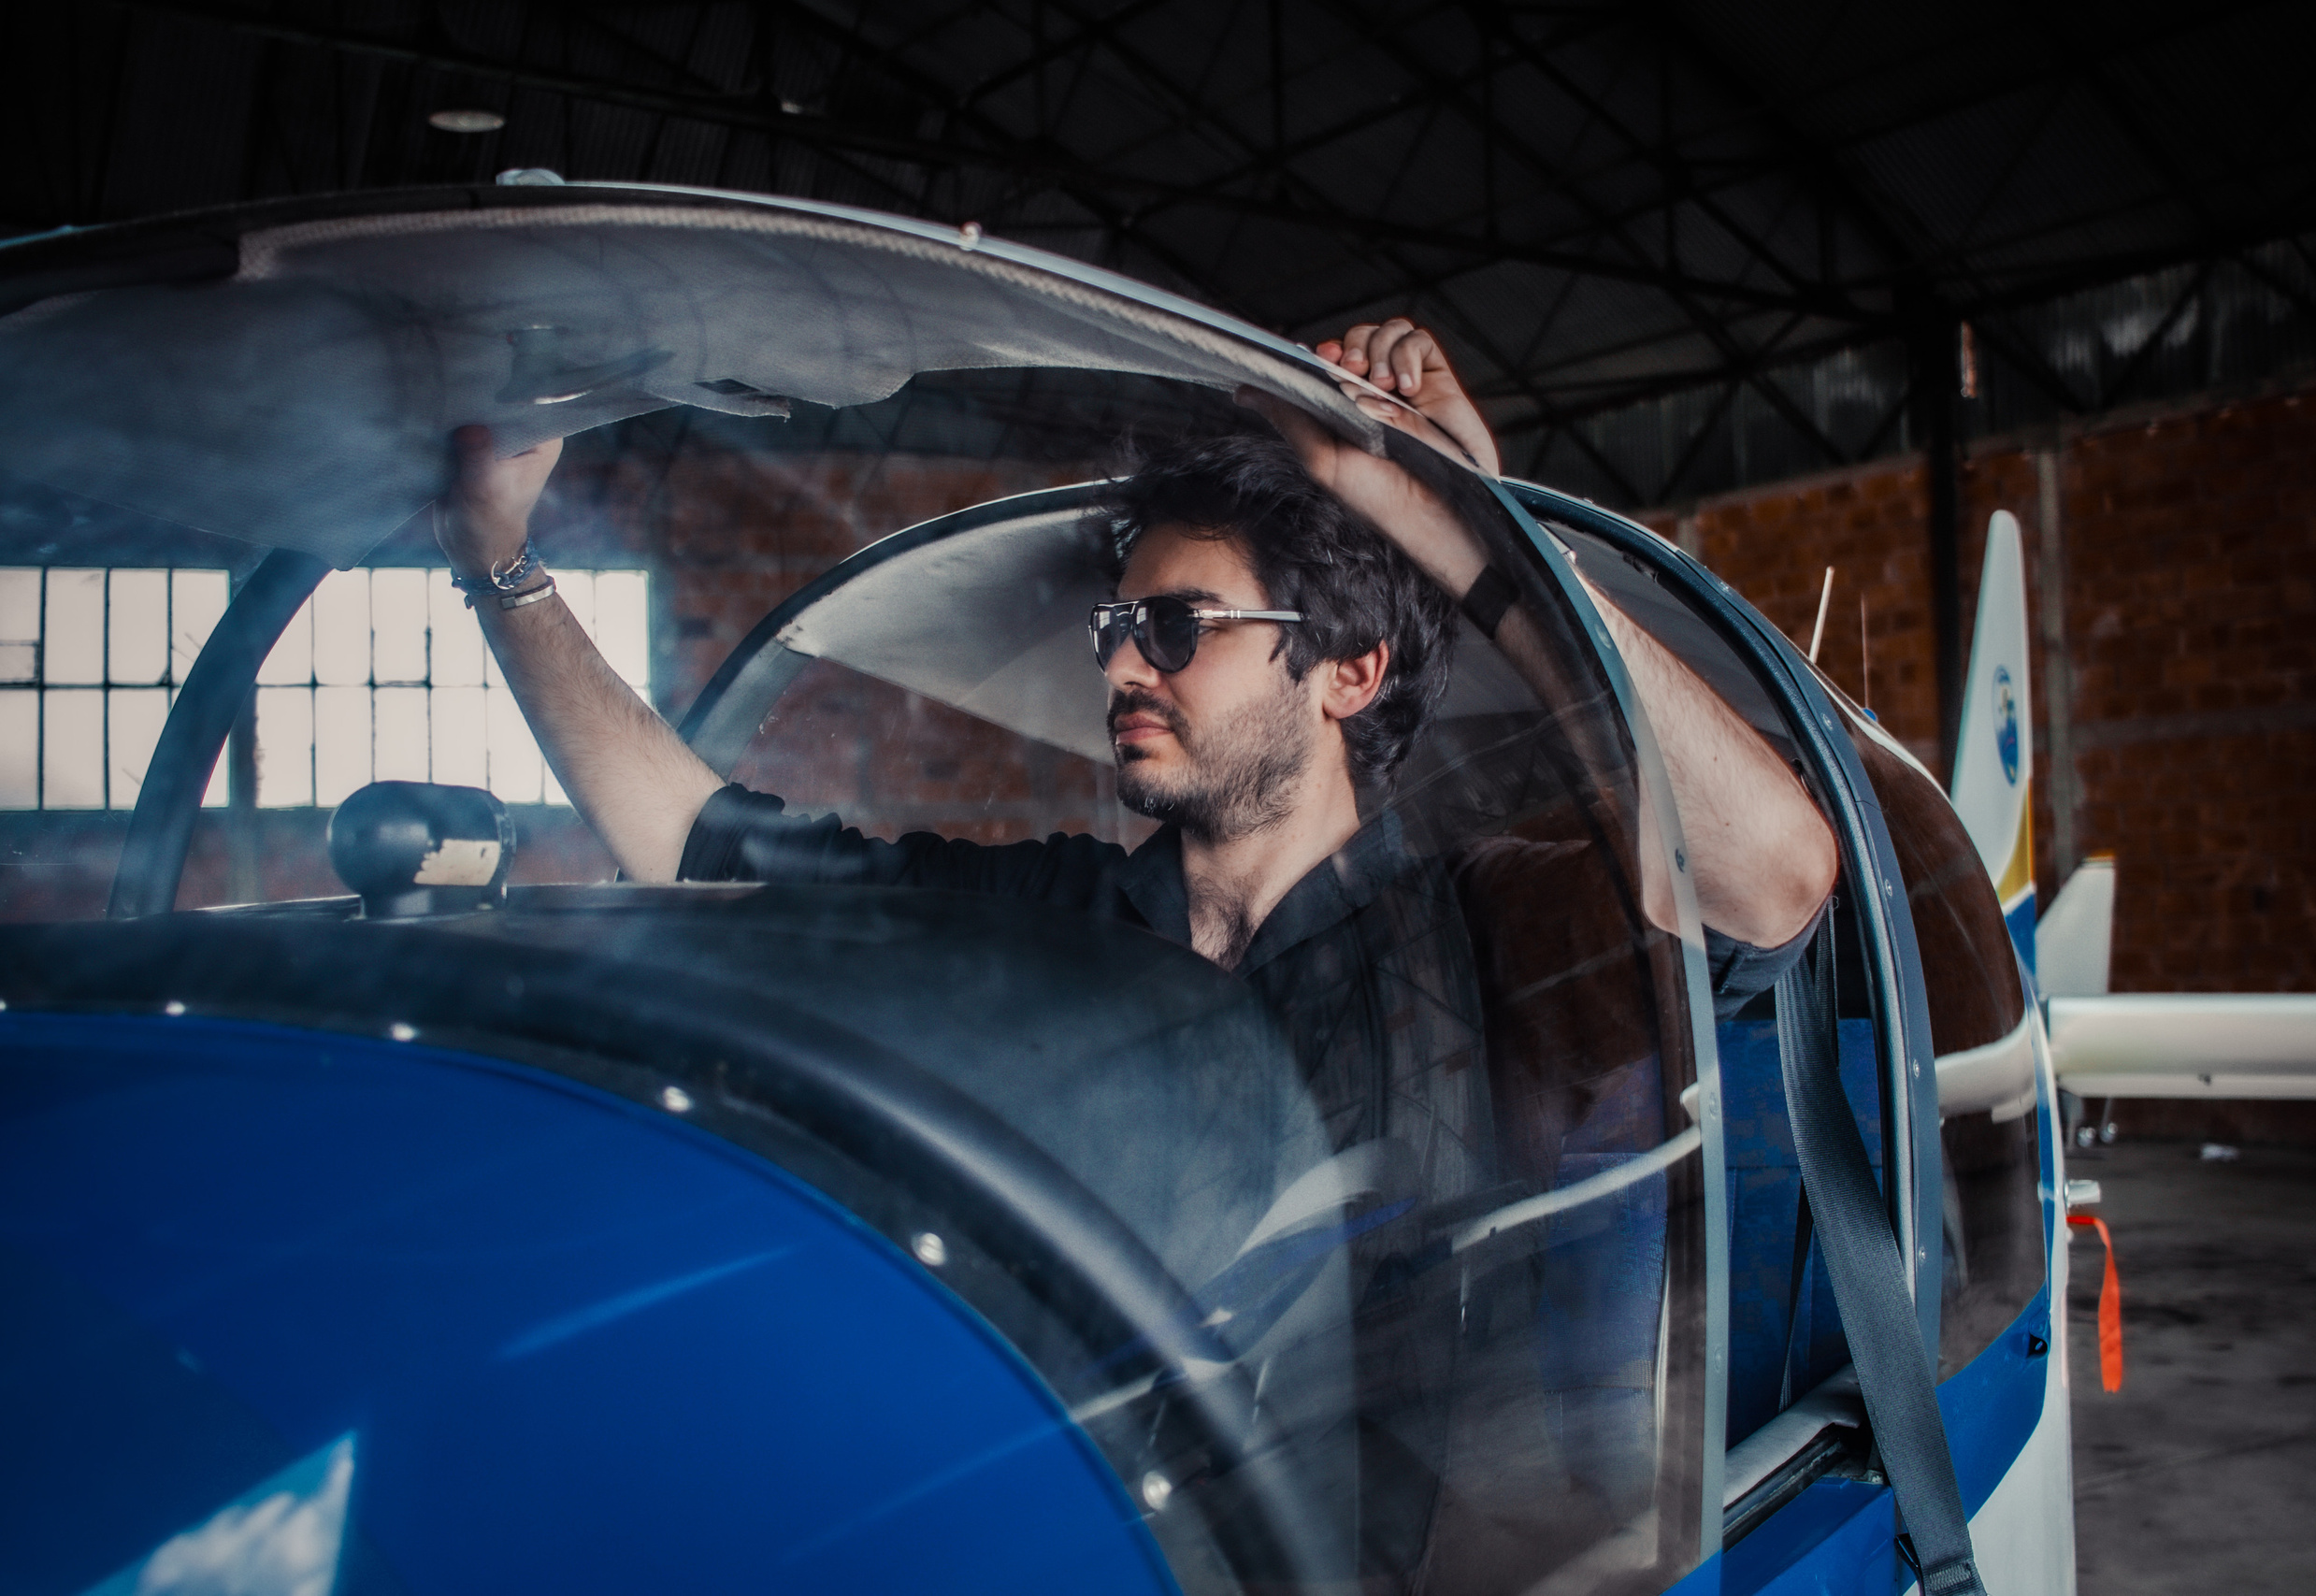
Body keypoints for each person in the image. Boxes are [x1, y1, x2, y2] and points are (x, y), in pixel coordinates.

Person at [439, 320, 1836, 1580]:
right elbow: (692, 840)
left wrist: (1457, 519)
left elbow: (1775, 874)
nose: (1117, 668)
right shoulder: (1054, 923)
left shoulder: (1495, 922)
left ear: (1349, 672)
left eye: (1176, 630)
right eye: (1119, 628)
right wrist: (500, 558)